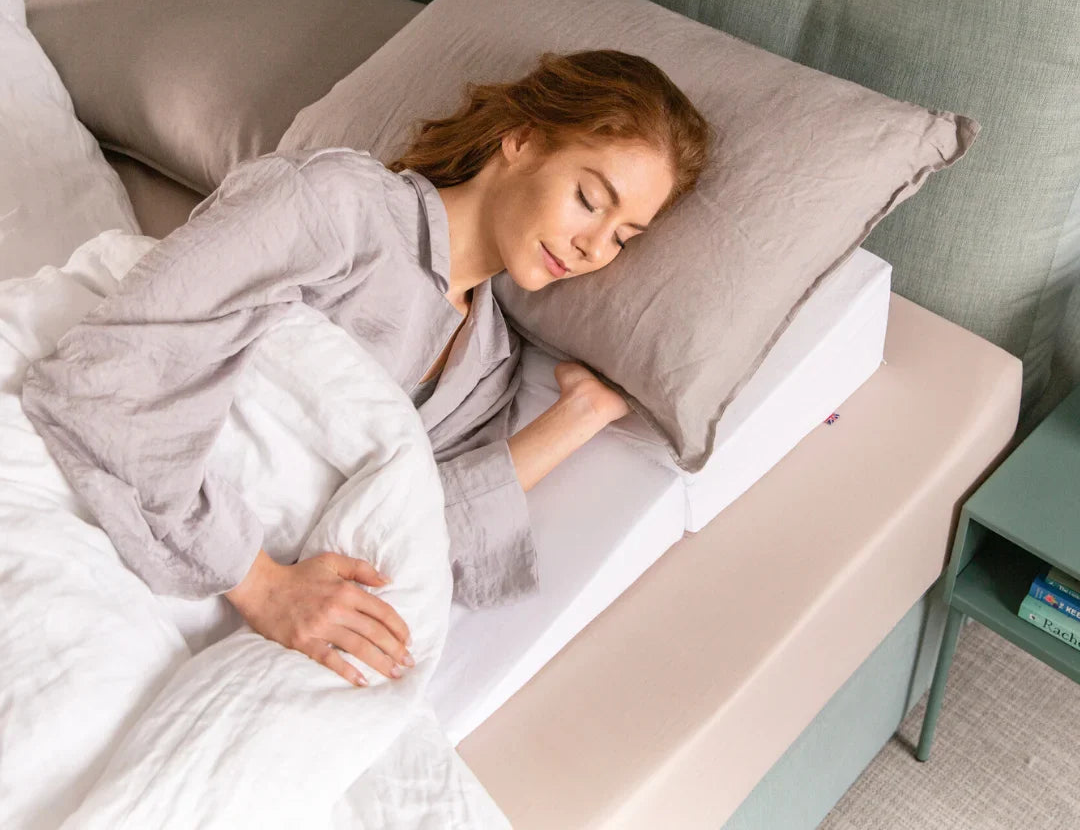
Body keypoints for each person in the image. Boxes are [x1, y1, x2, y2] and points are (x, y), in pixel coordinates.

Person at [21, 48, 710, 690]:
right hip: (88, 487)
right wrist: (259, 584)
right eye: (589, 200)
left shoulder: (487, 364)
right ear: (522, 141)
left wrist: (577, 418)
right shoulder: (342, 204)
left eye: (623, 239)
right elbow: (128, 366)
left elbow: (419, 525)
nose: (594, 248)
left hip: (204, 587)